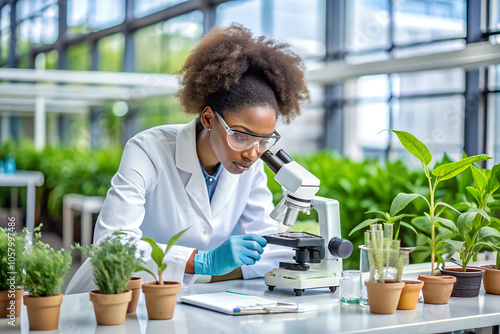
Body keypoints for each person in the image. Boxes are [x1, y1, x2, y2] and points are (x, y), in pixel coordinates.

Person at [66, 23, 310, 293]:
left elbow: (265, 245)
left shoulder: (250, 166)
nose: (253, 153)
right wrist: (200, 261)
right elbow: (111, 243)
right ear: (208, 118)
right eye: (241, 136)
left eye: (264, 141)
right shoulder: (148, 150)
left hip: (185, 297)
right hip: (115, 295)